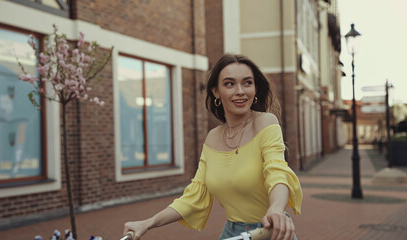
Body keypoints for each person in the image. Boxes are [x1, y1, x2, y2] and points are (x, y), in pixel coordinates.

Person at [123, 54, 303, 240]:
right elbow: (194, 196)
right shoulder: (212, 138)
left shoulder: (265, 123)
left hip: (270, 230)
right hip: (232, 232)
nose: (240, 91)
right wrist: (147, 223)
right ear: (216, 91)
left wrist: (276, 209)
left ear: (255, 88)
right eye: (230, 84)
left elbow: (277, 172)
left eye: (247, 83)